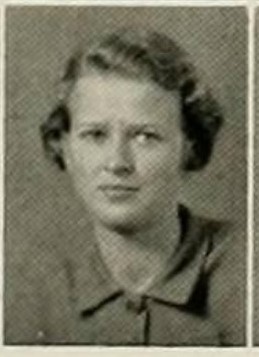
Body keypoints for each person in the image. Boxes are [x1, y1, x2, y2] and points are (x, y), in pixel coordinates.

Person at [5, 28, 245, 346]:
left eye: (145, 135)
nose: (117, 162)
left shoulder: (244, 269)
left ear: (190, 145)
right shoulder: (24, 290)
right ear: (63, 145)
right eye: (95, 135)